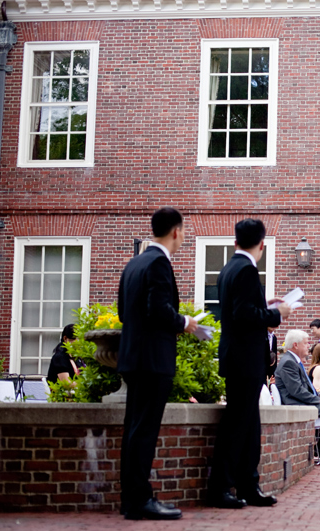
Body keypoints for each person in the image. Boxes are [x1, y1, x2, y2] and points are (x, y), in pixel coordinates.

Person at [117, 207, 198, 520]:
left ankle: (131, 499)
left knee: (133, 431)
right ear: (176, 231)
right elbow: (159, 310)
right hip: (154, 361)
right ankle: (141, 501)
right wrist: (185, 322)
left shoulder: (134, 263)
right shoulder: (160, 263)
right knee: (145, 432)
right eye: (183, 233)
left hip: (131, 358)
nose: (182, 238)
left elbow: (125, 313)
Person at [208, 219, 291, 509]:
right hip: (244, 358)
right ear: (262, 245)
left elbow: (238, 310)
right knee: (237, 423)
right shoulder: (246, 269)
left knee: (247, 422)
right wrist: (276, 314)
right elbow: (244, 315)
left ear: (235, 242)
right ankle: (220, 488)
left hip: (238, 356)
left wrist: (266, 305)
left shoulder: (229, 269)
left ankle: (248, 484)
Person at [275, 329, 320, 466]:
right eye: (306, 343)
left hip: (302, 401)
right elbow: (297, 391)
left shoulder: (294, 361)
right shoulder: (288, 362)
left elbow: (305, 389)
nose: (309, 346)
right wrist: (319, 400)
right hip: (295, 404)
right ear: (296, 345)